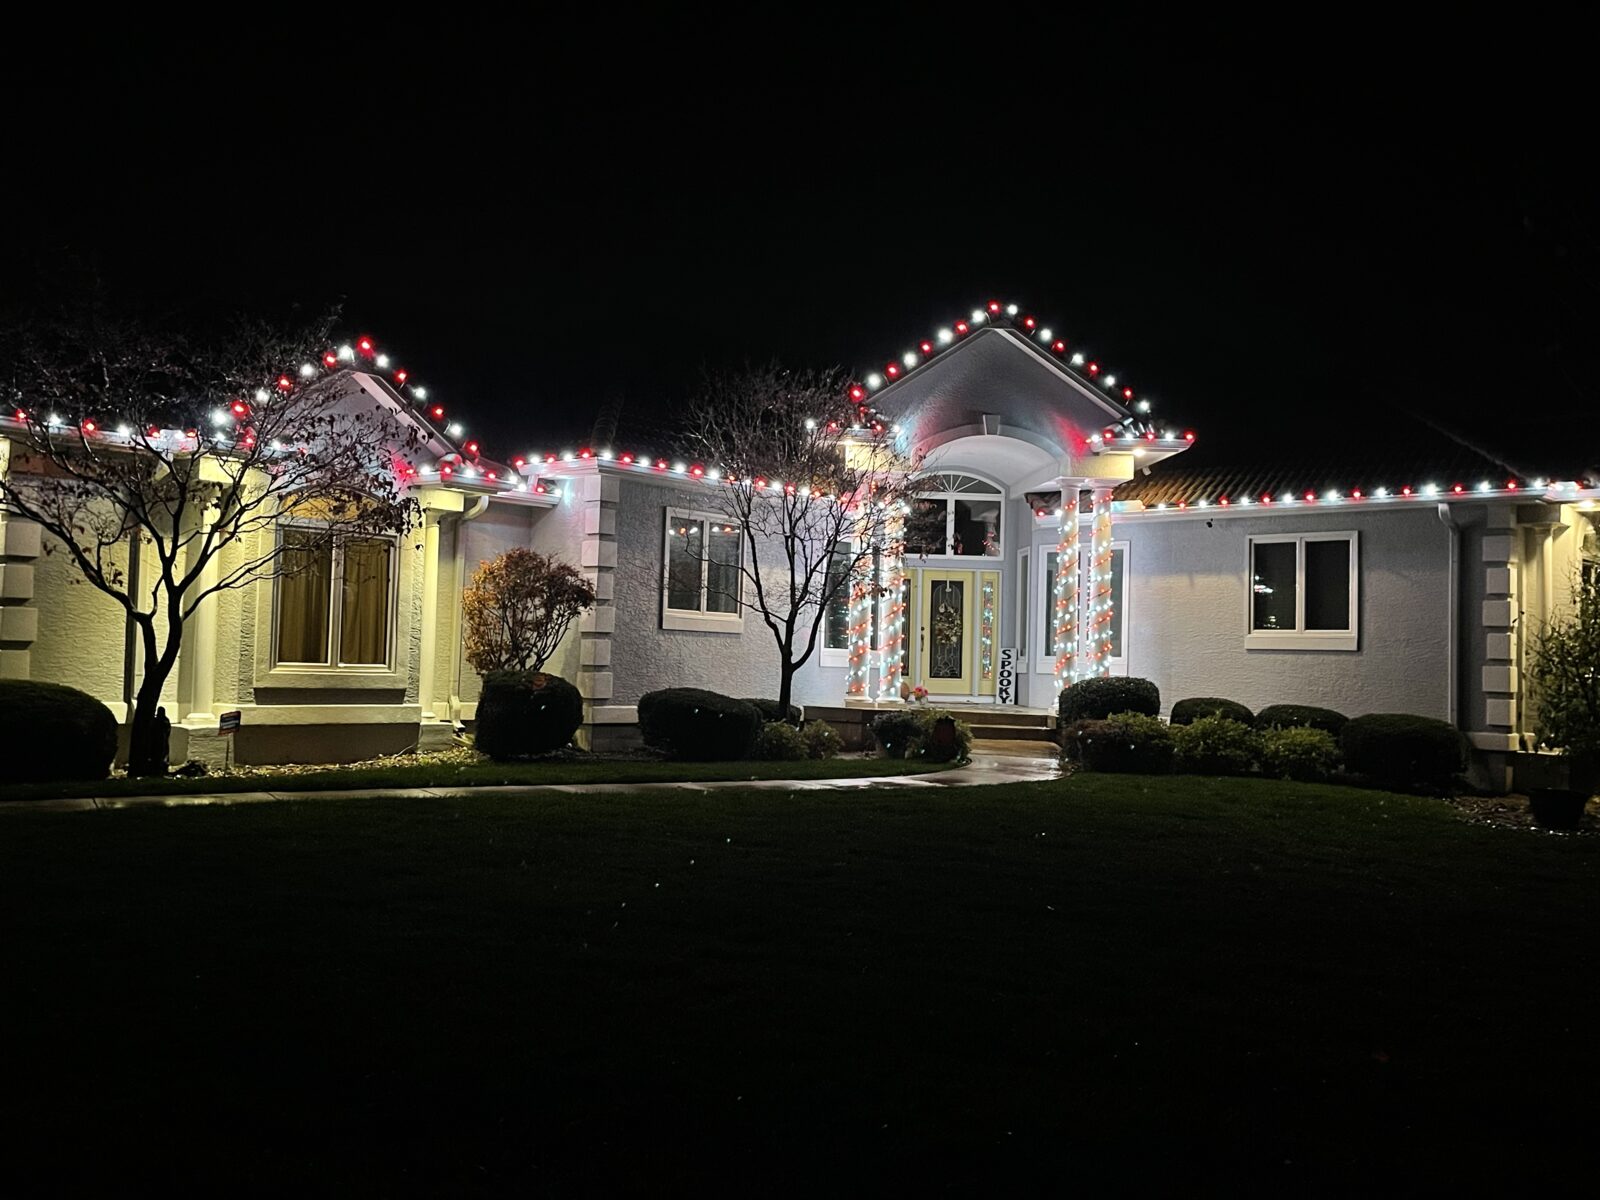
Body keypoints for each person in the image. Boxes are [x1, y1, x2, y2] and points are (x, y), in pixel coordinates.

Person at [153, 705, 172, 775]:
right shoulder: (163, 720)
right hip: (158, 740)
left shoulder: (162, 720)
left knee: (162, 754)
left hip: (162, 740)